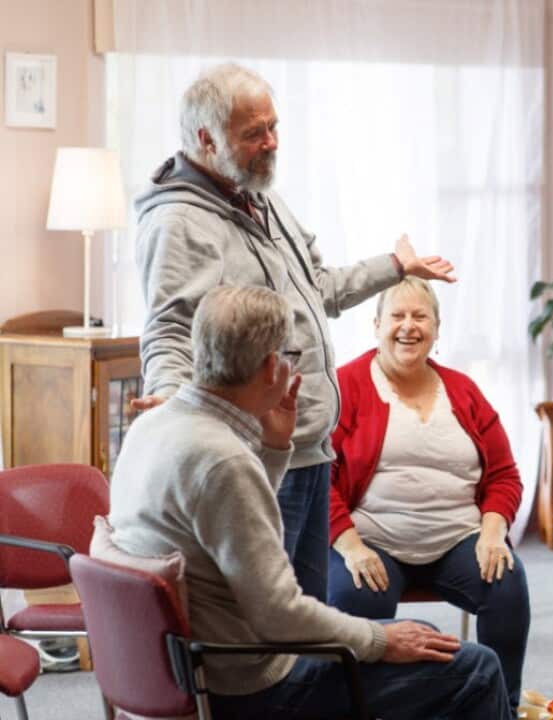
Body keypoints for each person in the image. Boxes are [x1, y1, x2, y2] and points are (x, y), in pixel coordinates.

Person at [133, 62, 456, 602]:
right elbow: (171, 327)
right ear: (207, 139)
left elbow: (317, 289)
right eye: (253, 133)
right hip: (256, 457)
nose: (271, 142)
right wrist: (170, 398)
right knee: (267, 617)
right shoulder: (178, 223)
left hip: (309, 448)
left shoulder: (260, 198)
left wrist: (394, 268)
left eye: (273, 126)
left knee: (308, 616)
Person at [108, 285, 510, 718]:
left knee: (424, 639)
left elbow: (229, 520)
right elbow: (281, 615)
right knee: (476, 667)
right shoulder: (223, 460)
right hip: (249, 685)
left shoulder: (154, 425)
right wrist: (380, 640)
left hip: (181, 668)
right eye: (292, 357)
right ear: (272, 367)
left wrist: (274, 450)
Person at [327, 276, 529, 716]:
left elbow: (503, 475)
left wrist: (492, 533)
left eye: (420, 316)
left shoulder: (463, 390)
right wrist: (351, 546)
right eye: (397, 316)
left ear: (437, 329)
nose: (408, 326)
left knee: (508, 586)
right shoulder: (345, 386)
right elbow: (320, 481)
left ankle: (502, 708)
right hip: (372, 540)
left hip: (458, 537)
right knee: (356, 600)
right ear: (376, 325)